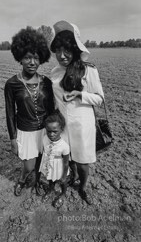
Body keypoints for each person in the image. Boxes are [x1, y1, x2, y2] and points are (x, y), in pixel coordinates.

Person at [50, 20, 104, 204]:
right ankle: (68, 182)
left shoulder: (88, 70)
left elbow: (99, 98)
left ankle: (83, 186)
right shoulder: (55, 72)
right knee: (66, 158)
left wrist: (79, 95)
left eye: (66, 51)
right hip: (63, 125)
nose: (62, 55)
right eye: (58, 51)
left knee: (82, 162)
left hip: (82, 125)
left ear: (75, 49)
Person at [4, 26, 54, 196]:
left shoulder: (46, 82)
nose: (32, 62)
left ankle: (39, 180)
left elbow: (51, 109)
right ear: (20, 58)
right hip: (25, 131)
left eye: (36, 58)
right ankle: (22, 179)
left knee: (42, 160)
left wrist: (53, 131)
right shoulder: (12, 84)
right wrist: (12, 138)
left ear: (41, 59)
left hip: (44, 131)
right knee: (28, 165)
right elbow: (10, 113)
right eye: (27, 58)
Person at [39, 109, 70, 205]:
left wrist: (64, 175)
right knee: (50, 179)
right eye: (49, 131)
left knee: (62, 182)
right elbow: (45, 152)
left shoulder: (64, 146)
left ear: (61, 129)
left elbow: (65, 163)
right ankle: (50, 190)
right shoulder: (44, 139)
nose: (51, 134)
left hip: (60, 168)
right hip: (49, 166)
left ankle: (63, 193)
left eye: (55, 131)